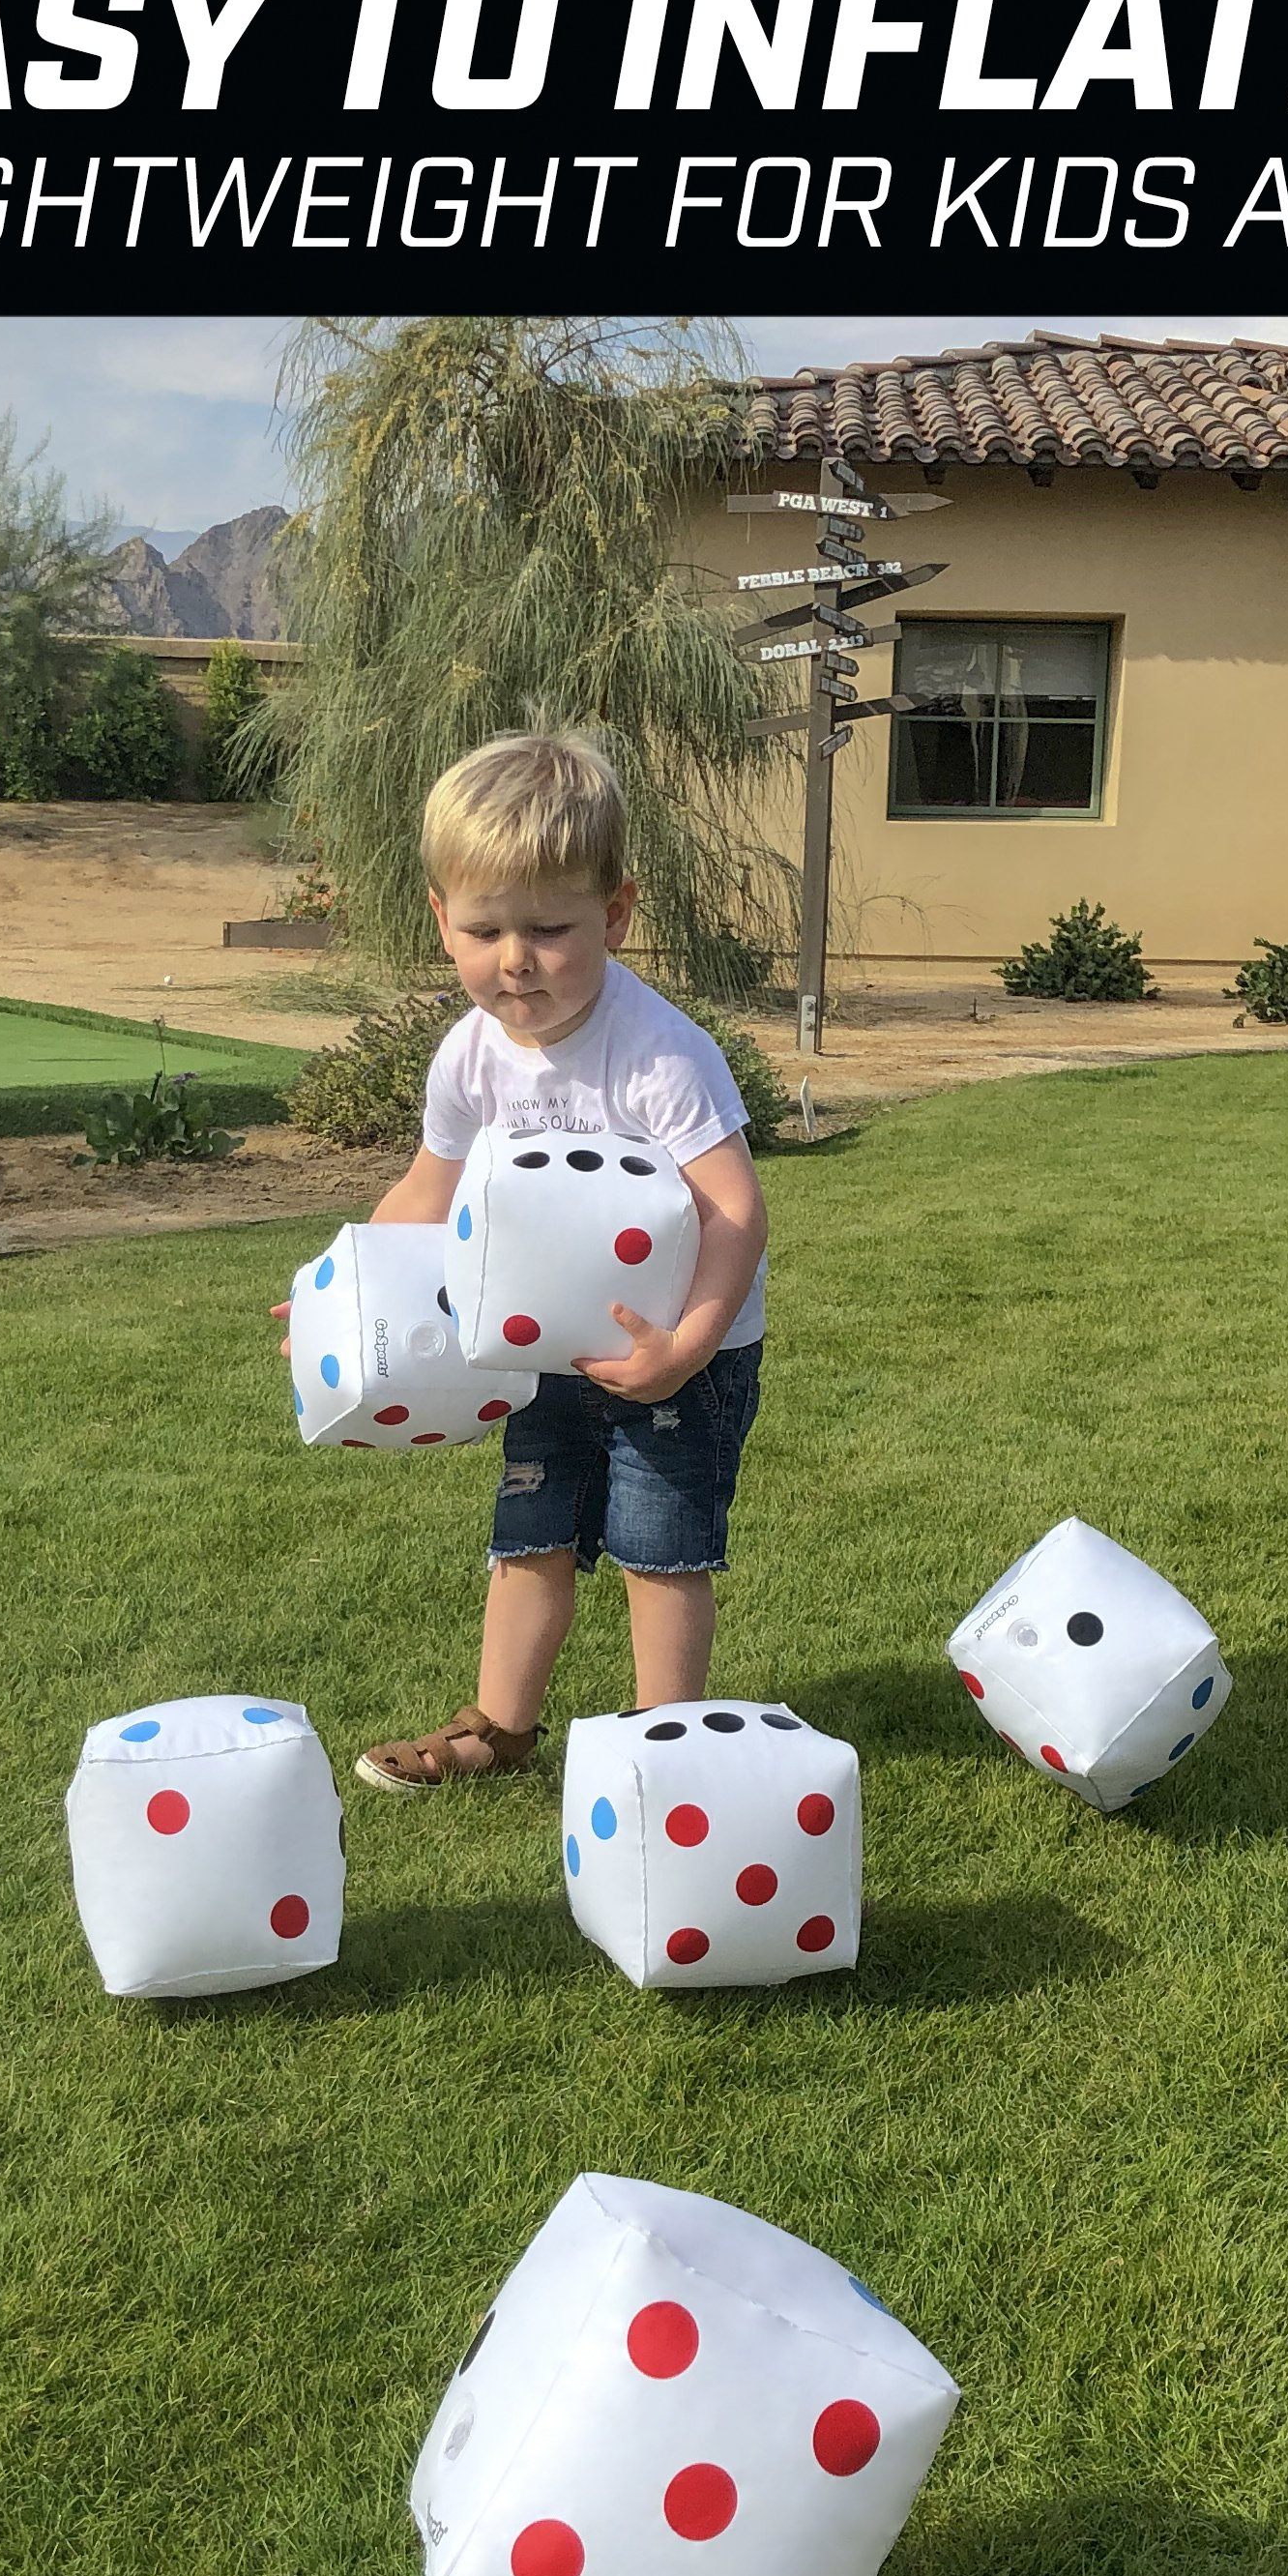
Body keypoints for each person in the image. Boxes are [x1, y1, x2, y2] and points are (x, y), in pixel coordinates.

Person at [287, 727, 771, 1793]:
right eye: (485, 929)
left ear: (617, 913)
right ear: (440, 920)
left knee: (660, 1550)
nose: (515, 959)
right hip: (541, 1347)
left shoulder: (659, 1054)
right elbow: (429, 1192)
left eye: (550, 929)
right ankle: (498, 1732)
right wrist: (340, 1302)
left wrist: (686, 1349)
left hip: (680, 1352)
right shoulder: (469, 1052)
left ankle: (663, 1752)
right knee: (530, 1531)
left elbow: (735, 1212)